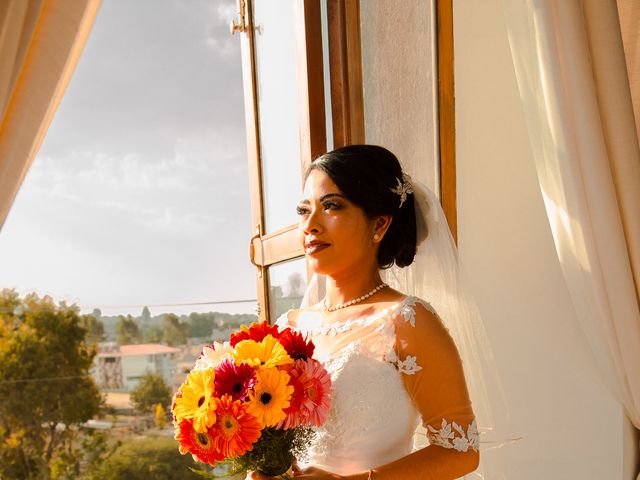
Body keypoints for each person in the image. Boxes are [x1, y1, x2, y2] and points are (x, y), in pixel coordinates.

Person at [251, 145, 481, 479]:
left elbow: (461, 451)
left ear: (379, 225)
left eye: (332, 206)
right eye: (304, 210)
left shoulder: (407, 321)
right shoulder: (288, 327)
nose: (310, 225)